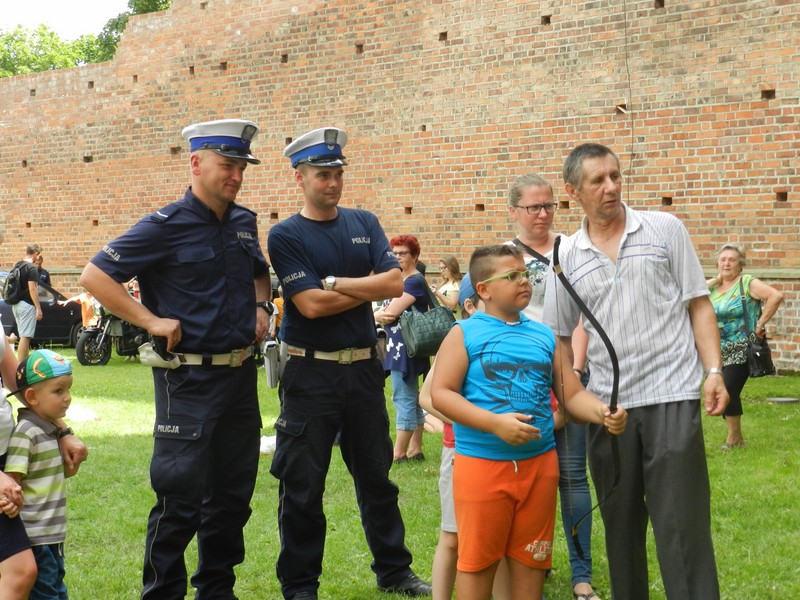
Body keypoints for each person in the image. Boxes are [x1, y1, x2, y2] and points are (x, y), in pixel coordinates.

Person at [80, 118, 271, 599]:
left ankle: (216, 591)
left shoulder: (244, 222)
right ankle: (162, 593)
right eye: (227, 165)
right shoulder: (164, 226)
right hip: (187, 382)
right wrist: (150, 320)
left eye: (241, 167)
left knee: (231, 498)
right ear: (196, 162)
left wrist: (262, 305)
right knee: (179, 499)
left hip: (239, 378)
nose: (236, 175)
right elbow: (94, 275)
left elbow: (258, 271)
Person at [543, 143, 729, 600]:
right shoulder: (564, 255)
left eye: (616, 175)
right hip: (608, 411)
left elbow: (698, 303)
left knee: (682, 527)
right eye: (597, 181)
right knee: (620, 528)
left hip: (671, 396)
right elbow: (559, 339)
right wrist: (574, 400)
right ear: (573, 192)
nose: (611, 187)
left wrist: (713, 371)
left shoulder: (664, 228)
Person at [267, 126, 432, 599]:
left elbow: (395, 285)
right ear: (299, 177)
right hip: (309, 372)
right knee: (303, 486)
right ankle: (300, 587)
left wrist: (334, 281)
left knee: (377, 479)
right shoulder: (286, 234)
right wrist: (364, 285)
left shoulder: (364, 222)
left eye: (337, 173)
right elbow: (310, 307)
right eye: (322, 174)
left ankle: (395, 572)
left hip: (362, 370)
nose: (332, 183)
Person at [430, 245, 626, 600]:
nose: (524, 281)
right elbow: (441, 393)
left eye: (525, 274)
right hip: (482, 468)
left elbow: (572, 395)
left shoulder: (544, 335)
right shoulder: (464, 333)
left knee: (531, 561)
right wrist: (493, 423)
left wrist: (600, 412)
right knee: (477, 564)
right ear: (484, 289)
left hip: (540, 468)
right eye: (512, 276)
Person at [506, 173, 598, 600]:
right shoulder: (504, 258)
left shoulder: (574, 249)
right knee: (524, 479)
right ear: (514, 211)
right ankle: (530, 562)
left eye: (549, 206)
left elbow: (581, 316)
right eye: (533, 207)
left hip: (570, 372)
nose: (543, 214)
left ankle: (582, 574)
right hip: (520, 382)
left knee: (573, 476)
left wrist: (573, 372)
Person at [5, 349, 83, 599]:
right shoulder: (26, 433)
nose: (67, 398)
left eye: (68, 390)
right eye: (58, 391)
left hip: (52, 533)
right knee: (47, 593)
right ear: (32, 396)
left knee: (56, 589)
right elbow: (13, 482)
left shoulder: (49, 430)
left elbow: (44, 475)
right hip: (35, 536)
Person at [707, 243, 784, 450]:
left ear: (740, 264)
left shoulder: (747, 282)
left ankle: (733, 440)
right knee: (721, 391)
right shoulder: (713, 287)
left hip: (742, 348)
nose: (726, 263)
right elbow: (690, 297)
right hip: (717, 351)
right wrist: (715, 280)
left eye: (732, 260)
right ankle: (738, 438)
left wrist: (760, 324)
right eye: (722, 260)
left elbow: (775, 296)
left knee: (729, 389)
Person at [374, 234, 431, 463]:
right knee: (412, 397)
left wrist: (374, 315)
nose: (397, 257)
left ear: (415, 256)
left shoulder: (414, 281)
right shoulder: (404, 280)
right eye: (394, 253)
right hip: (404, 347)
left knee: (403, 397)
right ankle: (415, 449)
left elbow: (390, 313)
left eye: (403, 253)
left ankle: (397, 453)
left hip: (404, 349)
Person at [10, 244, 44, 363]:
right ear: (35, 254)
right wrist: (38, 307)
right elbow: (32, 289)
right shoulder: (31, 267)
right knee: (25, 337)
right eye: (38, 255)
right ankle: (21, 366)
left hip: (16, 304)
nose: (38, 258)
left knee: (23, 335)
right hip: (26, 305)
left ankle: (22, 364)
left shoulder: (17, 265)